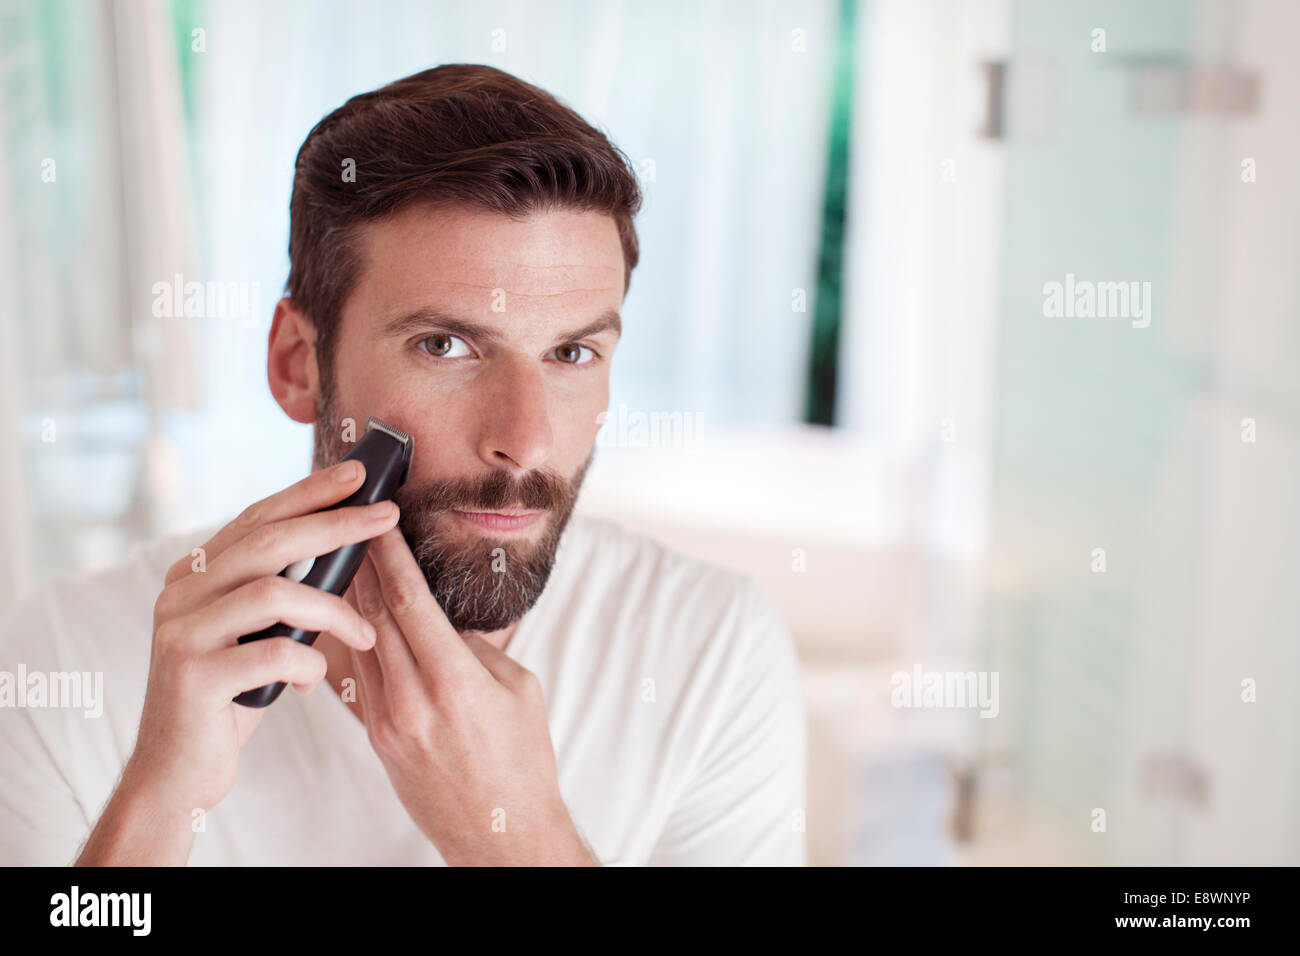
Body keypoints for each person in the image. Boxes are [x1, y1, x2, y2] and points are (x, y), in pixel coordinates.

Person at [0, 64, 807, 866]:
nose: (523, 441)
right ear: (297, 365)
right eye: (444, 346)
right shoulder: (63, 656)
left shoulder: (712, 650)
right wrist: (155, 804)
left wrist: (519, 842)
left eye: (571, 352)